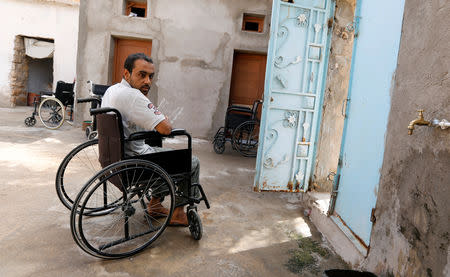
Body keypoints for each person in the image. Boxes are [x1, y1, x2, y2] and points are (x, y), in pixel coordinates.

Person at [101, 53, 199, 226]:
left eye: (151, 76)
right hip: (137, 163)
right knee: (192, 162)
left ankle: (155, 204)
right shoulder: (133, 96)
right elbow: (165, 128)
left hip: (114, 159)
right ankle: (178, 212)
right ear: (126, 74)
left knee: (160, 150)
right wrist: (162, 120)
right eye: (142, 75)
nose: (147, 81)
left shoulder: (112, 90)